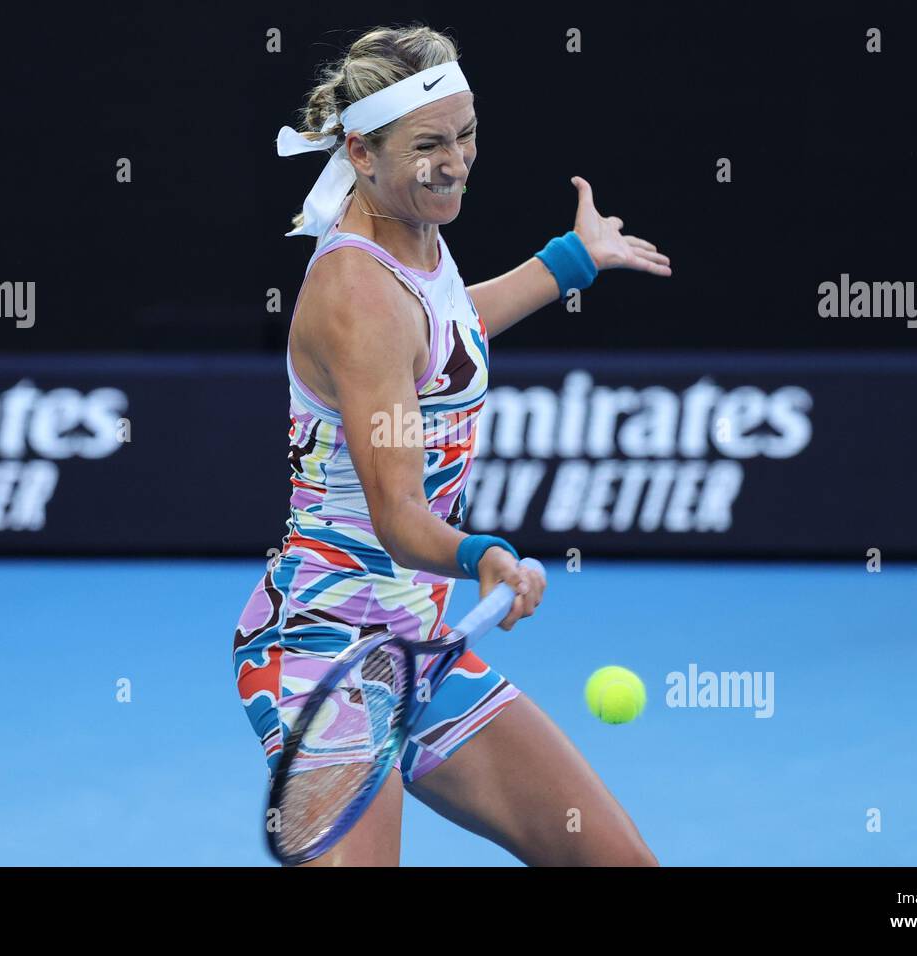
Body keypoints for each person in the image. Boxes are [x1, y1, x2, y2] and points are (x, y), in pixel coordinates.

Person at [233, 24, 671, 866]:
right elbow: (399, 517)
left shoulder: (415, 236)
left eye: (466, 135)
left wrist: (571, 260)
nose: (456, 162)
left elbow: (445, 331)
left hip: (418, 644)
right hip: (327, 649)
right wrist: (486, 555)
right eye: (429, 145)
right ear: (360, 153)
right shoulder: (356, 292)